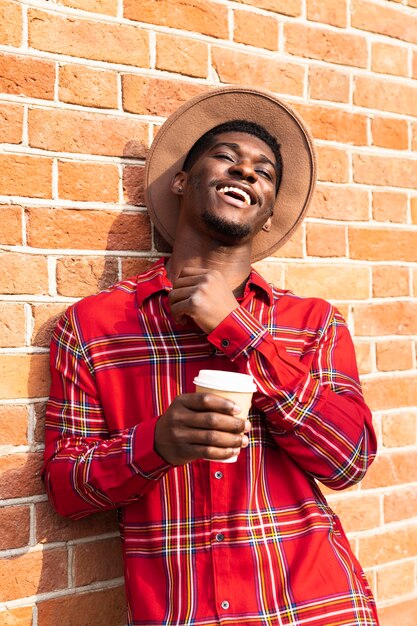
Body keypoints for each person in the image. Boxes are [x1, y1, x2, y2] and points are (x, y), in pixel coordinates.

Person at [43, 87, 379, 625]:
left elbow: (349, 460)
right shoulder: (94, 328)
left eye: (264, 172)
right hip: (183, 613)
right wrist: (154, 445)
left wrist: (238, 330)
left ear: (268, 214)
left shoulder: (313, 322)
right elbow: (66, 488)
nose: (246, 171)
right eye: (227, 156)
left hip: (314, 607)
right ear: (183, 180)